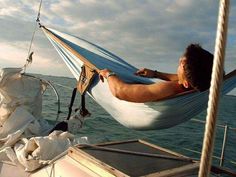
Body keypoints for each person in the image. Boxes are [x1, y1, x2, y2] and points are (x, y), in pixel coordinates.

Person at [99, 44, 214, 103]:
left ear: (185, 84)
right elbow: (181, 79)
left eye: (181, 64)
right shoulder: (205, 80)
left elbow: (120, 91)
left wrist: (109, 74)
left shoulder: (167, 88)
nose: (179, 60)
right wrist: (155, 74)